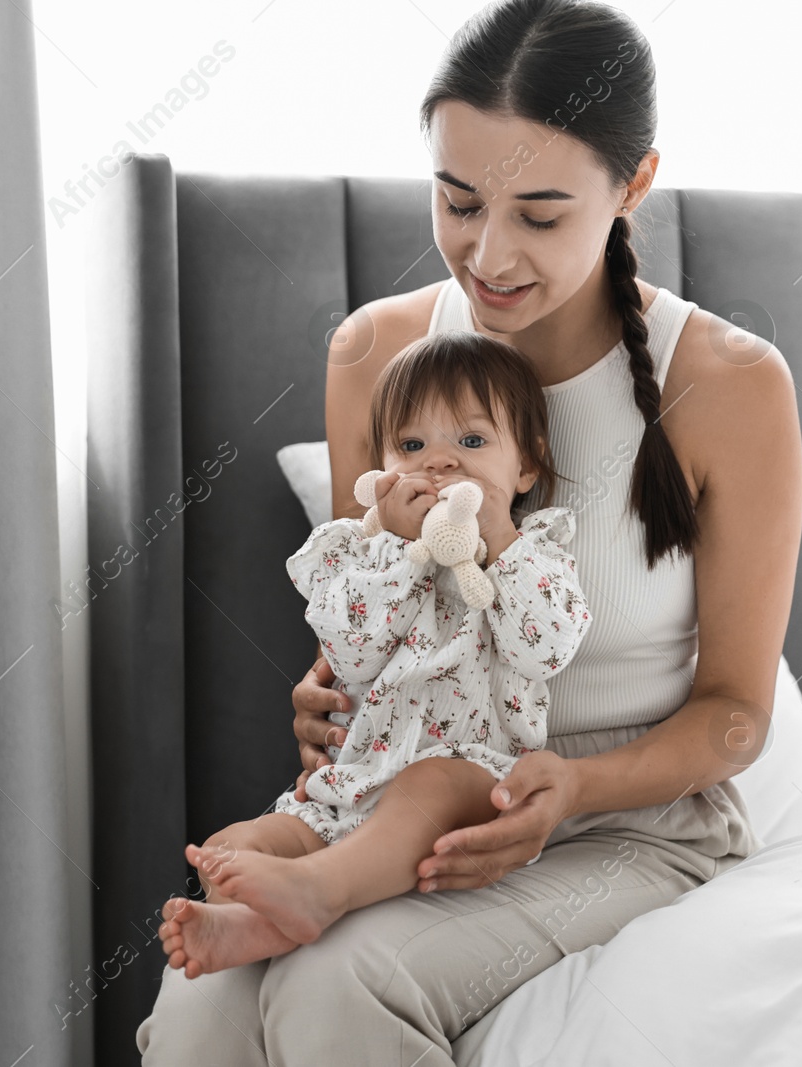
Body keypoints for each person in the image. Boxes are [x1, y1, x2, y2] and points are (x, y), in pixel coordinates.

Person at [138, 0, 802, 1061]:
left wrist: (572, 784)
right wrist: (326, 686)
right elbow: (389, 602)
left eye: (540, 215)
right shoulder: (377, 352)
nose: (487, 256)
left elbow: (735, 715)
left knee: (339, 983)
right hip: (416, 788)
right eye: (457, 202)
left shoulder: (725, 384)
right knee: (199, 1002)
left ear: (633, 184)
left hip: (629, 821)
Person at [156, 331, 593, 978]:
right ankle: (249, 923)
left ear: (526, 466)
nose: (439, 463)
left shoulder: (535, 551)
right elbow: (350, 654)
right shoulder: (359, 552)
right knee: (232, 848)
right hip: (351, 789)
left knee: (432, 780)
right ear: (379, 467)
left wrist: (497, 536)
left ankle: (320, 891)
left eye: (471, 442)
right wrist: (395, 548)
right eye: (412, 446)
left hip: (471, 780)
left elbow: (545, 648)